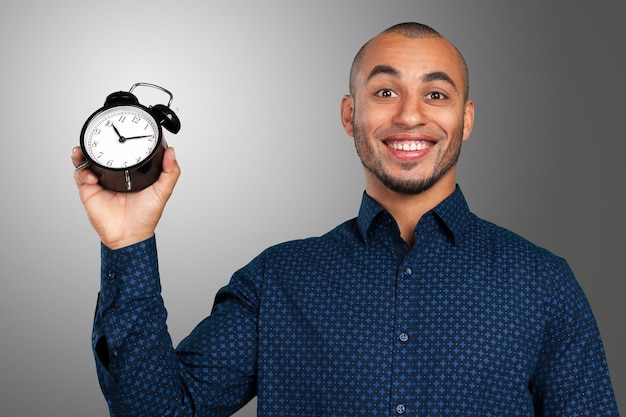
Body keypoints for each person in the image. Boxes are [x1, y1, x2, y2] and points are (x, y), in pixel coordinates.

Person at [72, 22, 619, 416]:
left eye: (435, 93)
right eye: (385, 91)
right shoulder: (278, 280)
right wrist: (129, 243)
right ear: (349, 114)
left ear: (466, 119)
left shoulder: (544, 283)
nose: (410, 114)